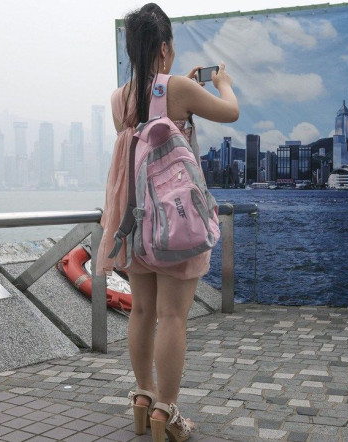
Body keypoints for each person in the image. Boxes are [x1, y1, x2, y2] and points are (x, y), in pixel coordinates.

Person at [96, 3, 239, 441]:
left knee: (141, 309)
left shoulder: (119, 98)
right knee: (173, 316)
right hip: (177, 224)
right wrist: (222, 84)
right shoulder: (177, 88)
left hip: (134, 222)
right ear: (164, 47)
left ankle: (142, 396)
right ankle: (166, 413)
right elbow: (230, 112)